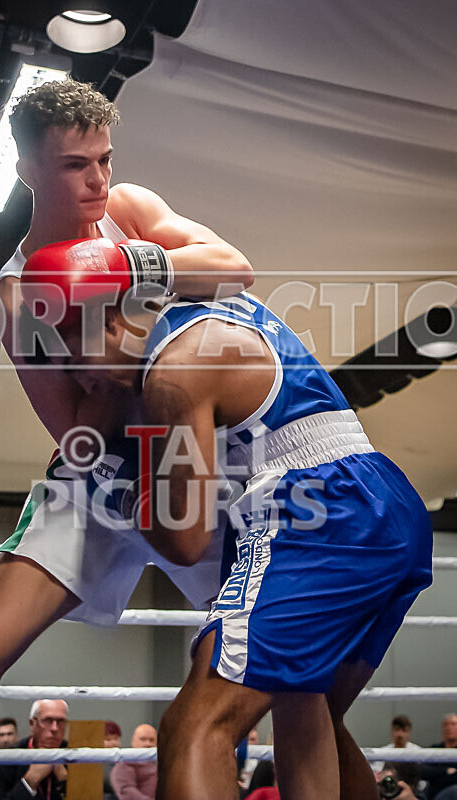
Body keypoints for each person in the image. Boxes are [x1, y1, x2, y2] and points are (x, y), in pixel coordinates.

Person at [0, 77, 252, 800]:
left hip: (186, 467)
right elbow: (73, 436)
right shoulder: (19, 293)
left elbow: (234, 269)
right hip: (99, 480)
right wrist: (119, 374)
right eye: (76, 166)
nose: (97, 180)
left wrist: (121, 274)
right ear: (27, 171)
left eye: (104, 159)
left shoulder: (129, 213)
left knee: (271, 662)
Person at [33, 270, 432, 800]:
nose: (84, 387)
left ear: (108, 321)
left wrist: (114, 488)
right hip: (385, 497)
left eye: (73, 362)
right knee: (309, 709)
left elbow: (186, 540)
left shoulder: (170, 372)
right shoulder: (211, 304)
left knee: (195, 727)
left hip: (315, 511)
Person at [0, 700, 68, 800]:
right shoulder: (5, 761)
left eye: (61, 721)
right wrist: (29, 782)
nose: (55, 728)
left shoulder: (76, 758)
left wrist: (66, 782)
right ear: (32, 724)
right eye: (48, 720)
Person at [109, 724, 157, 800]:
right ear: (133, 741)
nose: (148, 744)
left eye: (152, 740)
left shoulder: (163, 764)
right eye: (143, 739)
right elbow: (127, 793)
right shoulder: (125, 763)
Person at [421, 713, 457, 800]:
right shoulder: (434, 749)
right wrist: (445, 771)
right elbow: (422, 770)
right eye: (445, 724)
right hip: (434, 794)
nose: (449, 728)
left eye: (453, 724)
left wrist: (436, 775)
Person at [103, 721, 121, 800]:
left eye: (116, 739)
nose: (113, 743)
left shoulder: (123, 759)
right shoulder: (95, 762)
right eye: (108, 739)